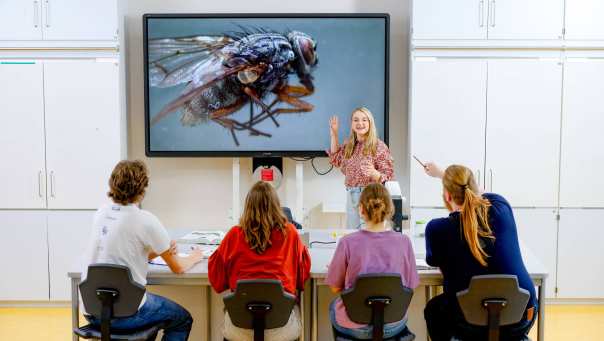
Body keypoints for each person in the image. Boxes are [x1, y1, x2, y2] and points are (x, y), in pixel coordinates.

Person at [81, 160, 203, 341]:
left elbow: (123, 254)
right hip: (127, 313)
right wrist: (195, 257)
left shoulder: (100, 214)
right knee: (182, 319)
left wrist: (158, 252)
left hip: (92, 310)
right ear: (142, 190)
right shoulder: (146, 220)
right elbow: (178, 267)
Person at [422, 163, 537, 341]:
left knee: (434, 310)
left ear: (447, 195)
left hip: (469, 324)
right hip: (521, 314)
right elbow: (477, 192)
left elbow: (436, 264)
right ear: (474, 187)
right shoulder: (501, 207)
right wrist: (443, 174)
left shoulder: (437, 229)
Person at [208, 181, 311, 341]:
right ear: (277, 206)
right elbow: (302, 276)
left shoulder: (234, 234)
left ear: (247, 206)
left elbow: (217, 281)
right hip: (280, 327)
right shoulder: (290, 233)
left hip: (240, 327)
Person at [326, 183, 419, 339]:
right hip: (393, 325)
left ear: (361, 209)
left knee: (333, 306)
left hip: (355, 326)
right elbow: (410, 286)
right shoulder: (404, 242)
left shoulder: (347, 242)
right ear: (390, 209)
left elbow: (335, 288)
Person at [327, 107, 394, 229]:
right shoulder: (349, 144)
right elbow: (336, 159)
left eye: (364, 120)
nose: (360, 123)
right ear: (352, 124)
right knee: (353, 233)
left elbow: (388, 175)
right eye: (356, 120)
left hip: (370, 196)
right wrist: (334, 135)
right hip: (351, 194)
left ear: (370, 123)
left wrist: (375, 174)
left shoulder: (378, 146)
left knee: (369, 234)